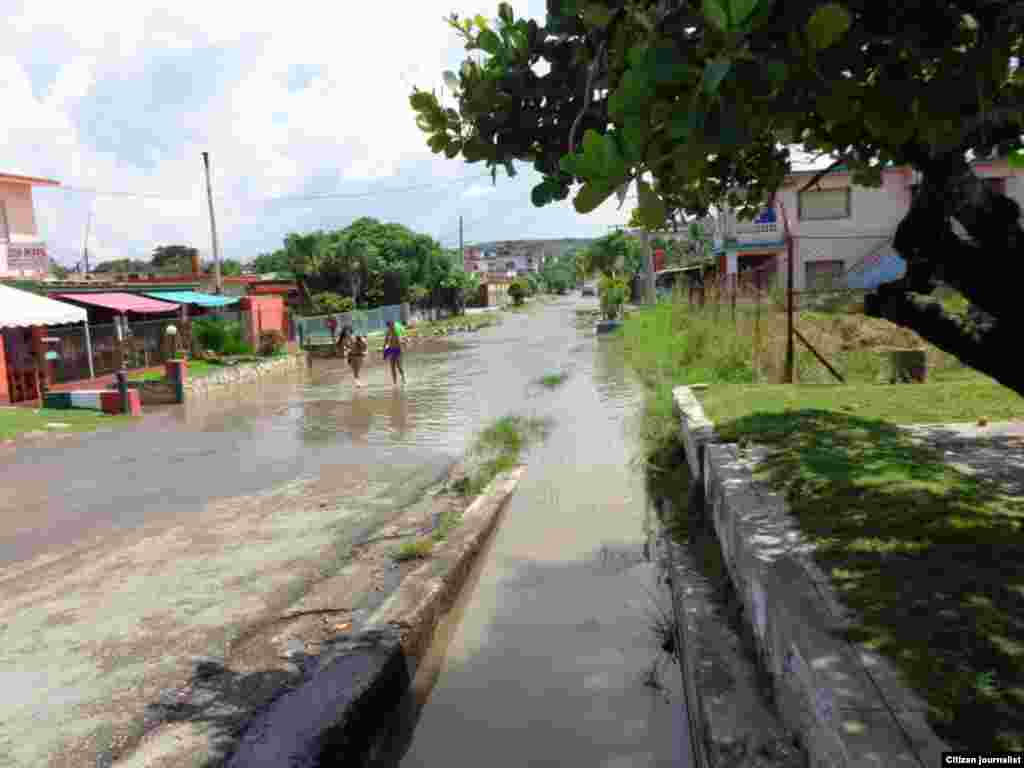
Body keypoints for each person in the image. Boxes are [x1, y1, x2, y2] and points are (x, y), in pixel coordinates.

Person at [383, 320, 406, 386]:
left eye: (391, 326)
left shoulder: (396, 332)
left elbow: (400, 342)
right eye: (389, 326)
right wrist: (384, 349)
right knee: (392, 367)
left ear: (393, 325)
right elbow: (385, 341)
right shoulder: (388, 332)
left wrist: (403, 344)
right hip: (391, 350)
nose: (390, 327)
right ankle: (395, 382)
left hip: (398, 350)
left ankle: (403, 377)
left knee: (399, 366)